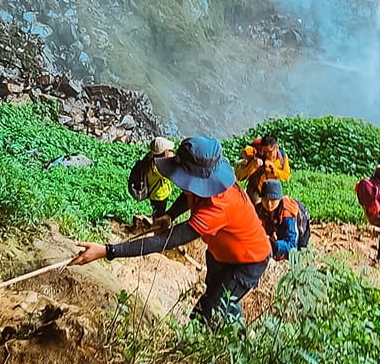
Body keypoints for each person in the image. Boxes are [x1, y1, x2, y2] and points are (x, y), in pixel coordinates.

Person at [72, 135, 271, 328]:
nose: (180, 183)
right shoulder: (207, 184)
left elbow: (164, 241)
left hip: (247, 261)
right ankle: (240, 330)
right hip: (220, 252)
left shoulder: (218, 208)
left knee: (208, 310)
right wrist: (169, 215)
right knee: (218, 294)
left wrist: (107, 251)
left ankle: (235, 343)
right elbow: (190, 195)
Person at [126, 134, 177, 230]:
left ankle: (153, 221)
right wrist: (171, 159)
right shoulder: (158, 169)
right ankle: (157, 227)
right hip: (159, 196)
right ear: (164, 153)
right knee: (160, 213)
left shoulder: (150, 160)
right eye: (168, 151)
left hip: (155, 195)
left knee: (156, 211)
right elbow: (171, 176)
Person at [256, 177, 311, 259]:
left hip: (298, 236)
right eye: (266, 200)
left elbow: (292, 246)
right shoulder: (259, 209)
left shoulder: (287, 215)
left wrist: (273, 242)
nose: (269, 204)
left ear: (279, 199)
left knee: (294, 257)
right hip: (275, 229)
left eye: (273, 200)